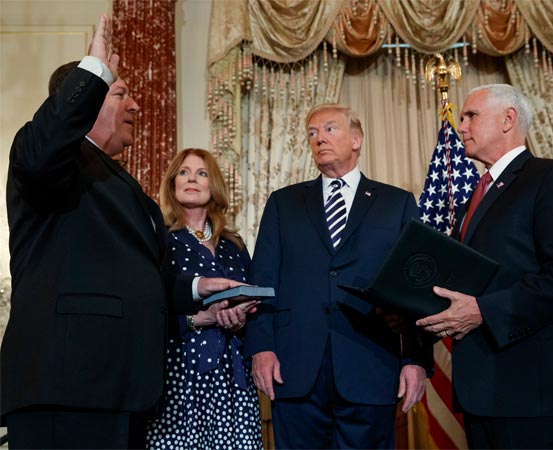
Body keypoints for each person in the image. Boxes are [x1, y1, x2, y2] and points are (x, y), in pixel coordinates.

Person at [1, 15, 241, 449]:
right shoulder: (51, 158)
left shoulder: (119, 181)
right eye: (121, 94)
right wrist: (91, 71)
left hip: (121, 389)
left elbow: (140, 275)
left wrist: (199, 287)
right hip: (69, 385)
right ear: (81, 103)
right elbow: (41, 151)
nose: (135, 106)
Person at [416, 84, 553, 449]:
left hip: (536, 395)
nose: (461, 126)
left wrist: (485, 311)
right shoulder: (478, 193)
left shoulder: (551, 177)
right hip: (481, 393)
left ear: (508, 119)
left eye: (471, 116)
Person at [245, 103, 433, 449]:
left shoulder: (397, 203)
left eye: (330, 129)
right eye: (312, 133)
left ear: (357, 139)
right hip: (295, 366)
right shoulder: (283, 203)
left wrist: (415, 360)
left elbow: (415, 289)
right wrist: (262, 348)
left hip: (372, 362)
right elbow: (263, 283)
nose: (319, 139)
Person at [146, 148, 263, 450]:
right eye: (184, 172)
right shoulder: (158, 239)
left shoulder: (234, 244)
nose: (191, 179)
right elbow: (147, 307)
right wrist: (198, 319)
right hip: (180, 376)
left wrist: (240, 318)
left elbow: (252, 303)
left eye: (201, 173)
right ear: (172, 183)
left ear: (214, 185)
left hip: (233, 377)